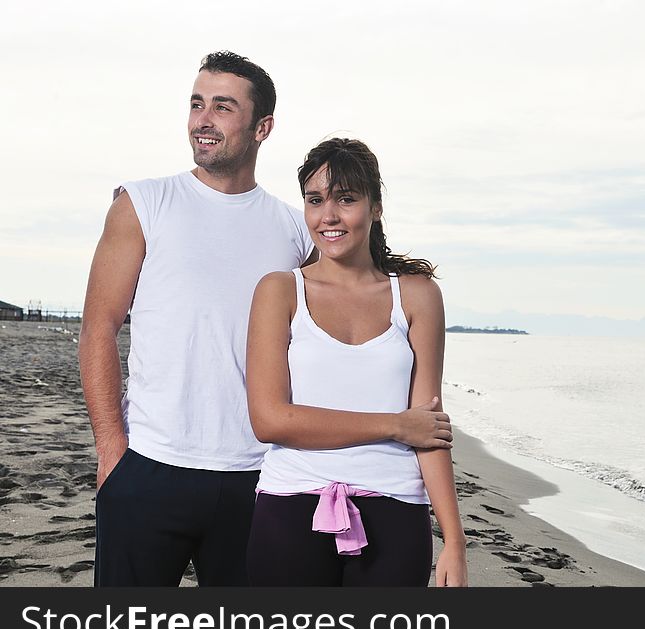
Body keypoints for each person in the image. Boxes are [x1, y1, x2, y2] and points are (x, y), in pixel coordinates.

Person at [78, 52, 453, 587]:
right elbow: (98, 328)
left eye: (223, 107)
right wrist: (112, 450)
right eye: (196, 104)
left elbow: (348, 305)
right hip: (152, 463)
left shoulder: (292, 227)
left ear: (262, 127)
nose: (203, 120)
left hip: (257, 476)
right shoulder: (144, 203)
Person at [245, 137, 468, 587]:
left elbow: (429, 429)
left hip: (397, 510)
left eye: (346, 199)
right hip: (290, 507)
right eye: (315, 200)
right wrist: (394, 424)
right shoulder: (279, 290)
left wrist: (455, 541)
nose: (328, 216)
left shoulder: (417, 294)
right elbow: (269, 420)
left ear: (375, 207)